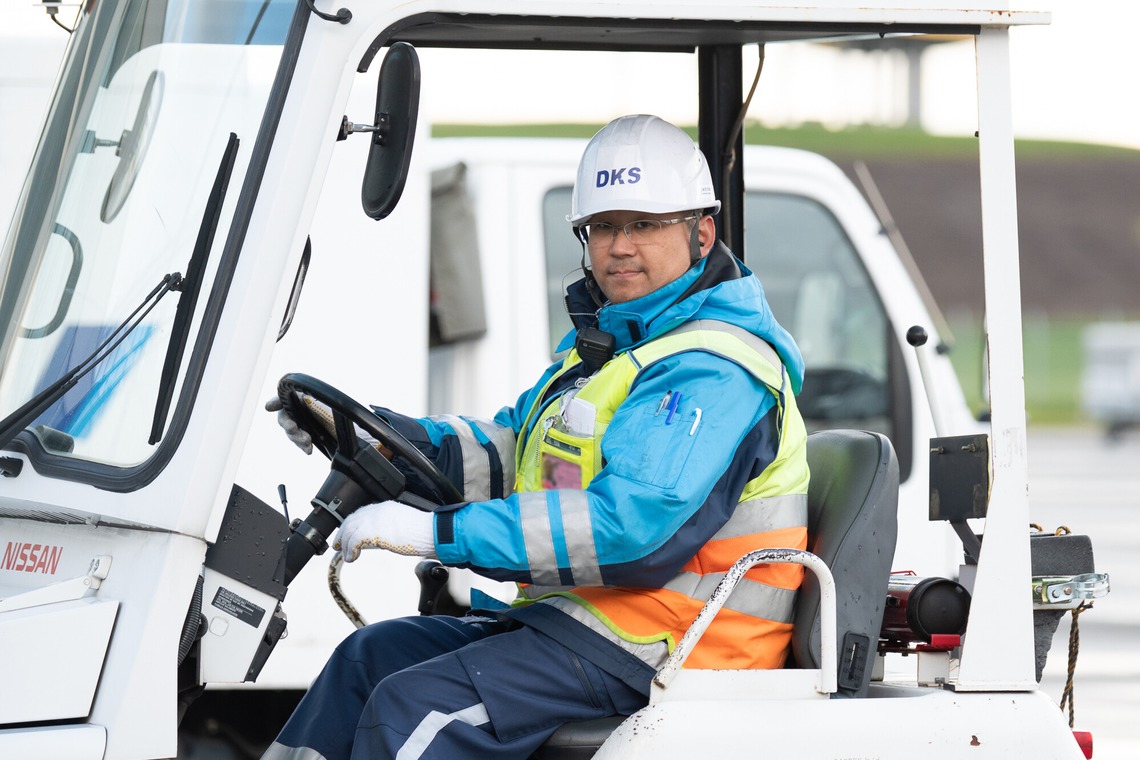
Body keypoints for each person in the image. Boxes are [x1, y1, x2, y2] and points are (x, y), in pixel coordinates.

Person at [263, 114, 809, 760]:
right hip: (585, 629)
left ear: (701, 232)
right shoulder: (612, 353)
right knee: (366, 661)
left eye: (643, 224)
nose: (620, 246)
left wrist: (441, 534)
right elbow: (507, 457)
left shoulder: (715, 368)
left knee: (411, 711)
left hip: (667, 650)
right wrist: (384, 441)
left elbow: (629, 529)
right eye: (603, 226)